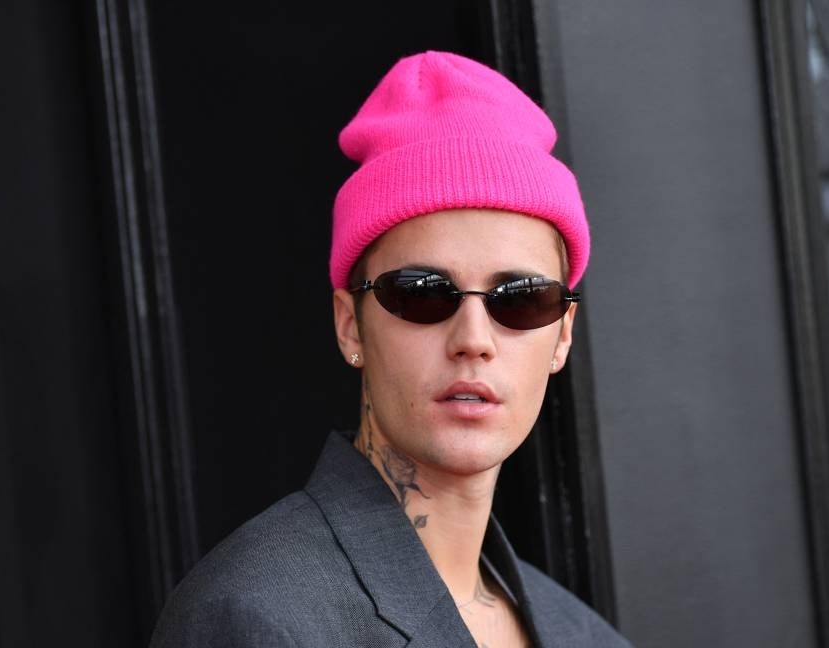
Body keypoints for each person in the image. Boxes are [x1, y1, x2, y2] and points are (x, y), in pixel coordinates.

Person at [150, 50, 632, 648]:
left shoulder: (588, 637)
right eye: (422, 294)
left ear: (561, 334)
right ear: (350, 326)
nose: (473, 340)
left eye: (522, 300)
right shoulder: (255, 616)